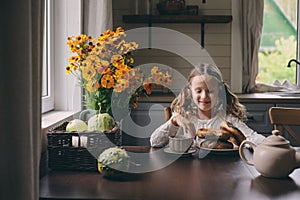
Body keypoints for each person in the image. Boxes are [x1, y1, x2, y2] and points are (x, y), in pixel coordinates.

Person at [150, 63, 265, 147]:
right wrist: (174, 121)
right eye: (199, 91)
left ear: (219, 92)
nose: (204, 96)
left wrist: (272, 142)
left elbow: (254, 138)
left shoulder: (227, 119)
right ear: (190, 91)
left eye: (210, 91)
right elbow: (155, 142)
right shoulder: (184, 116)